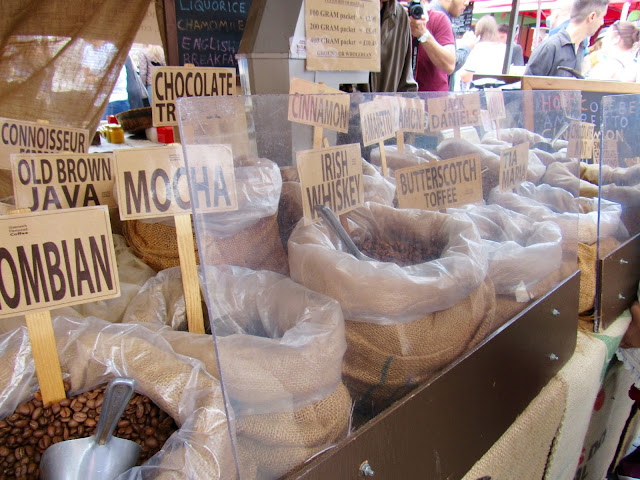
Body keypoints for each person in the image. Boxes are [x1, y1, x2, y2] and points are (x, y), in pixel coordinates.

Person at [525, 0, 609, 77]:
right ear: (592, 17)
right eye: (602, 17)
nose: (602, 23)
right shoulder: (550, 47)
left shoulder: (581, 48)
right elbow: (527, 89)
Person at [368, 0, 418, 92]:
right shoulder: (343, 8)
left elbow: (407, 87)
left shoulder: (400, 15)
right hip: (345, 104)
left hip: (386, 105)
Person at [428, 0, 477, 90]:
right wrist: (467, 47)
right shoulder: (438, 18)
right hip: (430, 97)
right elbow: (449, 63)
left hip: (427, 96)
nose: (467, 3)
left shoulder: (433, 14)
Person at [408, 2, 456, 91]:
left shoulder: (438, 19)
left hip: (433, 102)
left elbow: (449, 65)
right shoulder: (390, 20)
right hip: (398, 101)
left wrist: (423, 35)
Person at [458, 16, 508, 87]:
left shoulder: (475, 48)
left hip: (477, 92)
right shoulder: (504, 48)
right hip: (497, 91)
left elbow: (465, 77)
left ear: (478, 30)